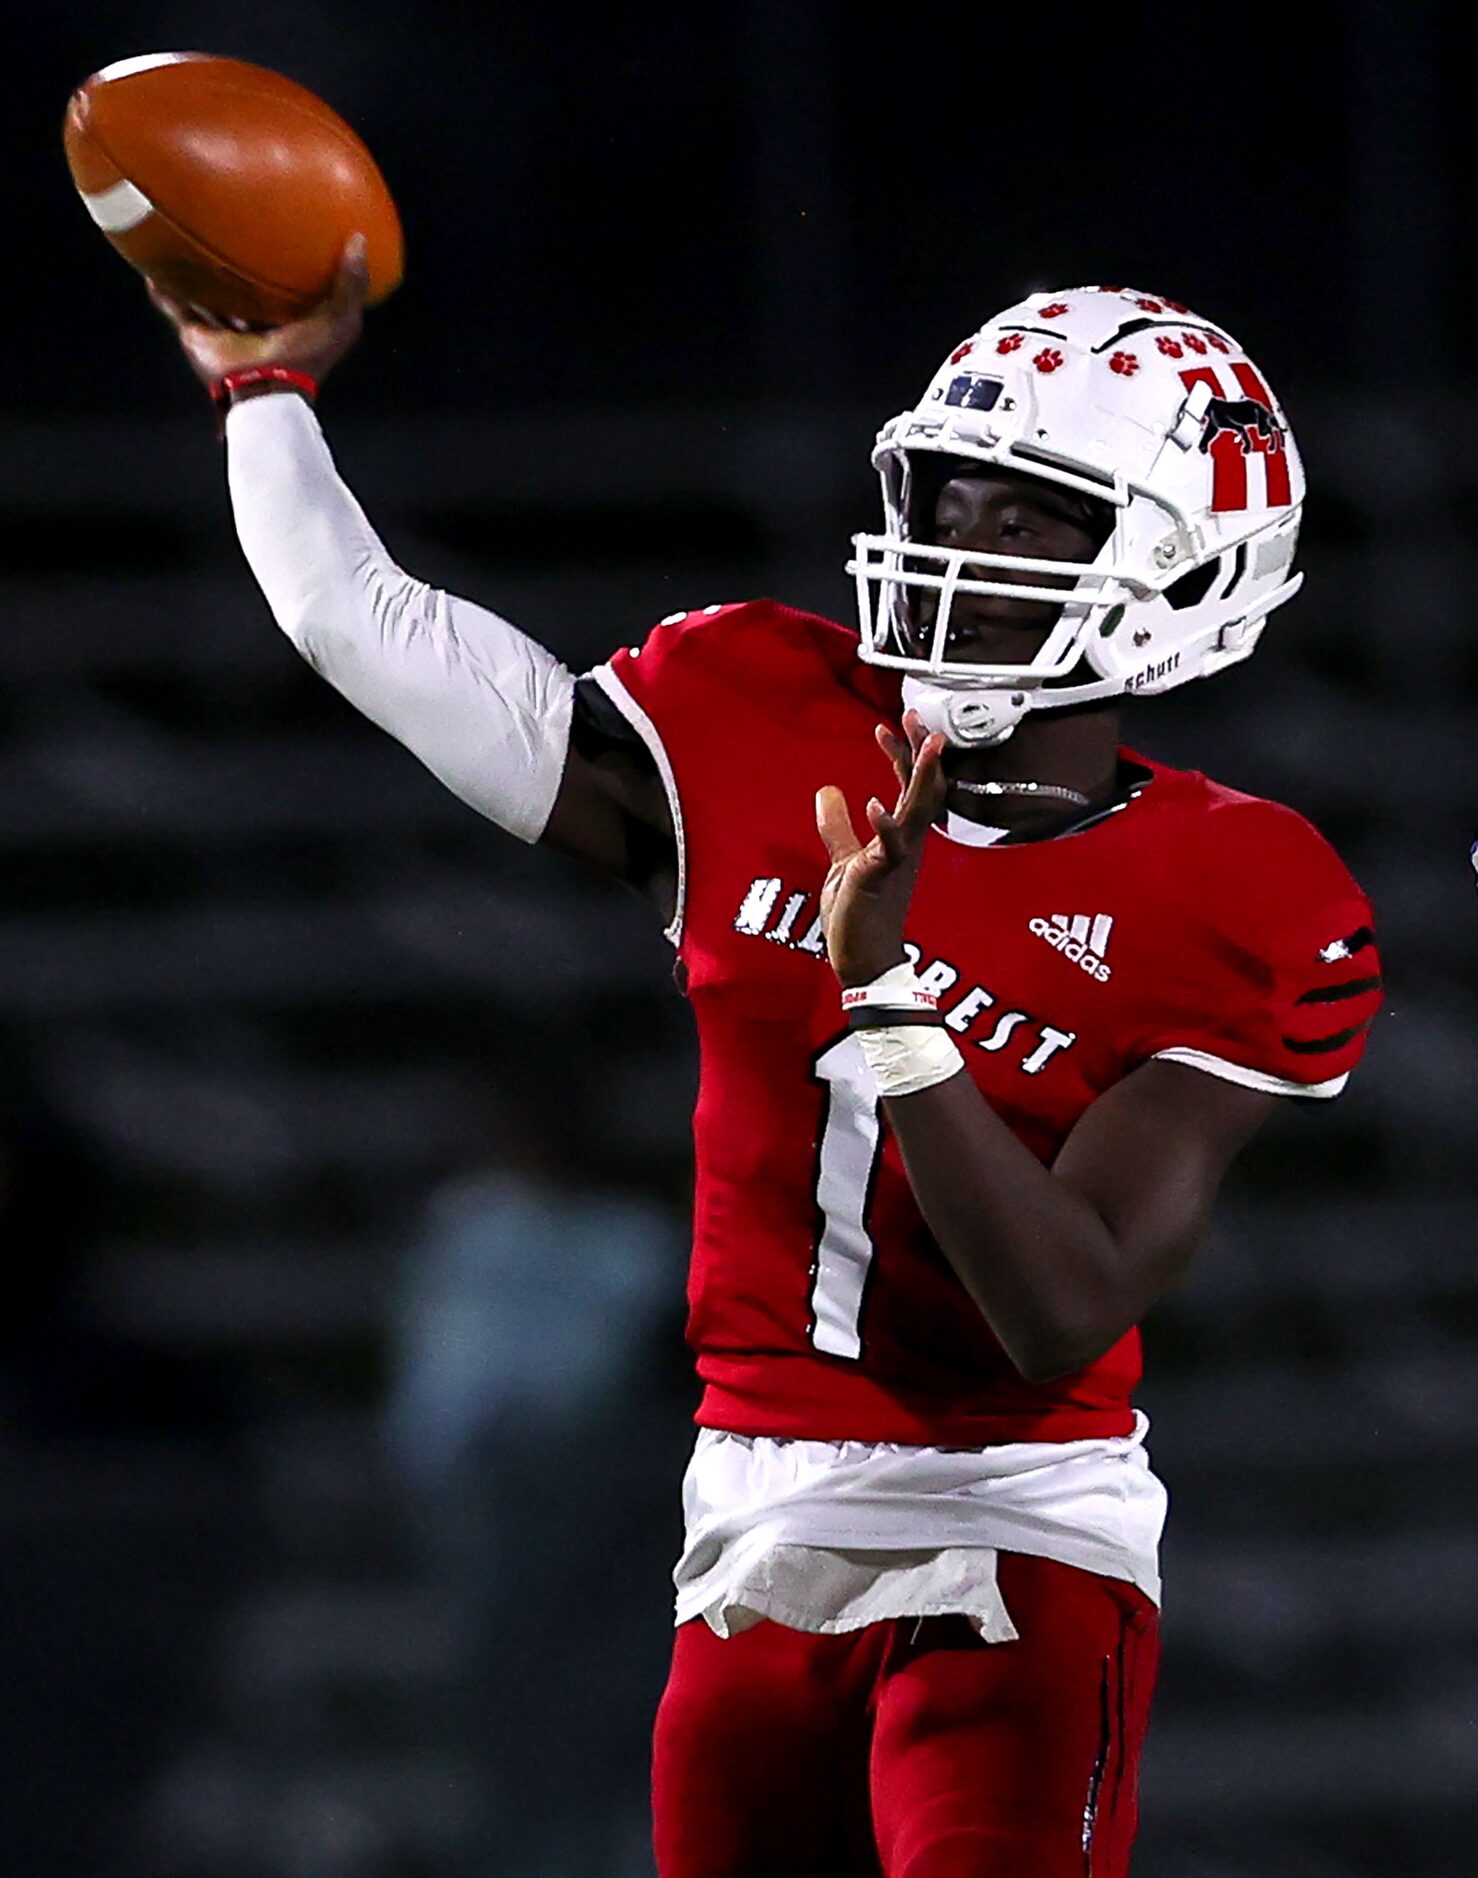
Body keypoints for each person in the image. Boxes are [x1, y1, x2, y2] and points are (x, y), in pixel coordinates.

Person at [147, 256, 1382, 1876]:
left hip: (1013, 1521)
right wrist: (262, 397)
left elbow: (1062, 1304)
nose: (952, 542)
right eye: (944, 493)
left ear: (1172, 570)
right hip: (749, 1516)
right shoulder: (759, 707)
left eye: (1020, 516)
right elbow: (355, 623)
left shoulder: (1243, 887)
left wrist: (880, 989)